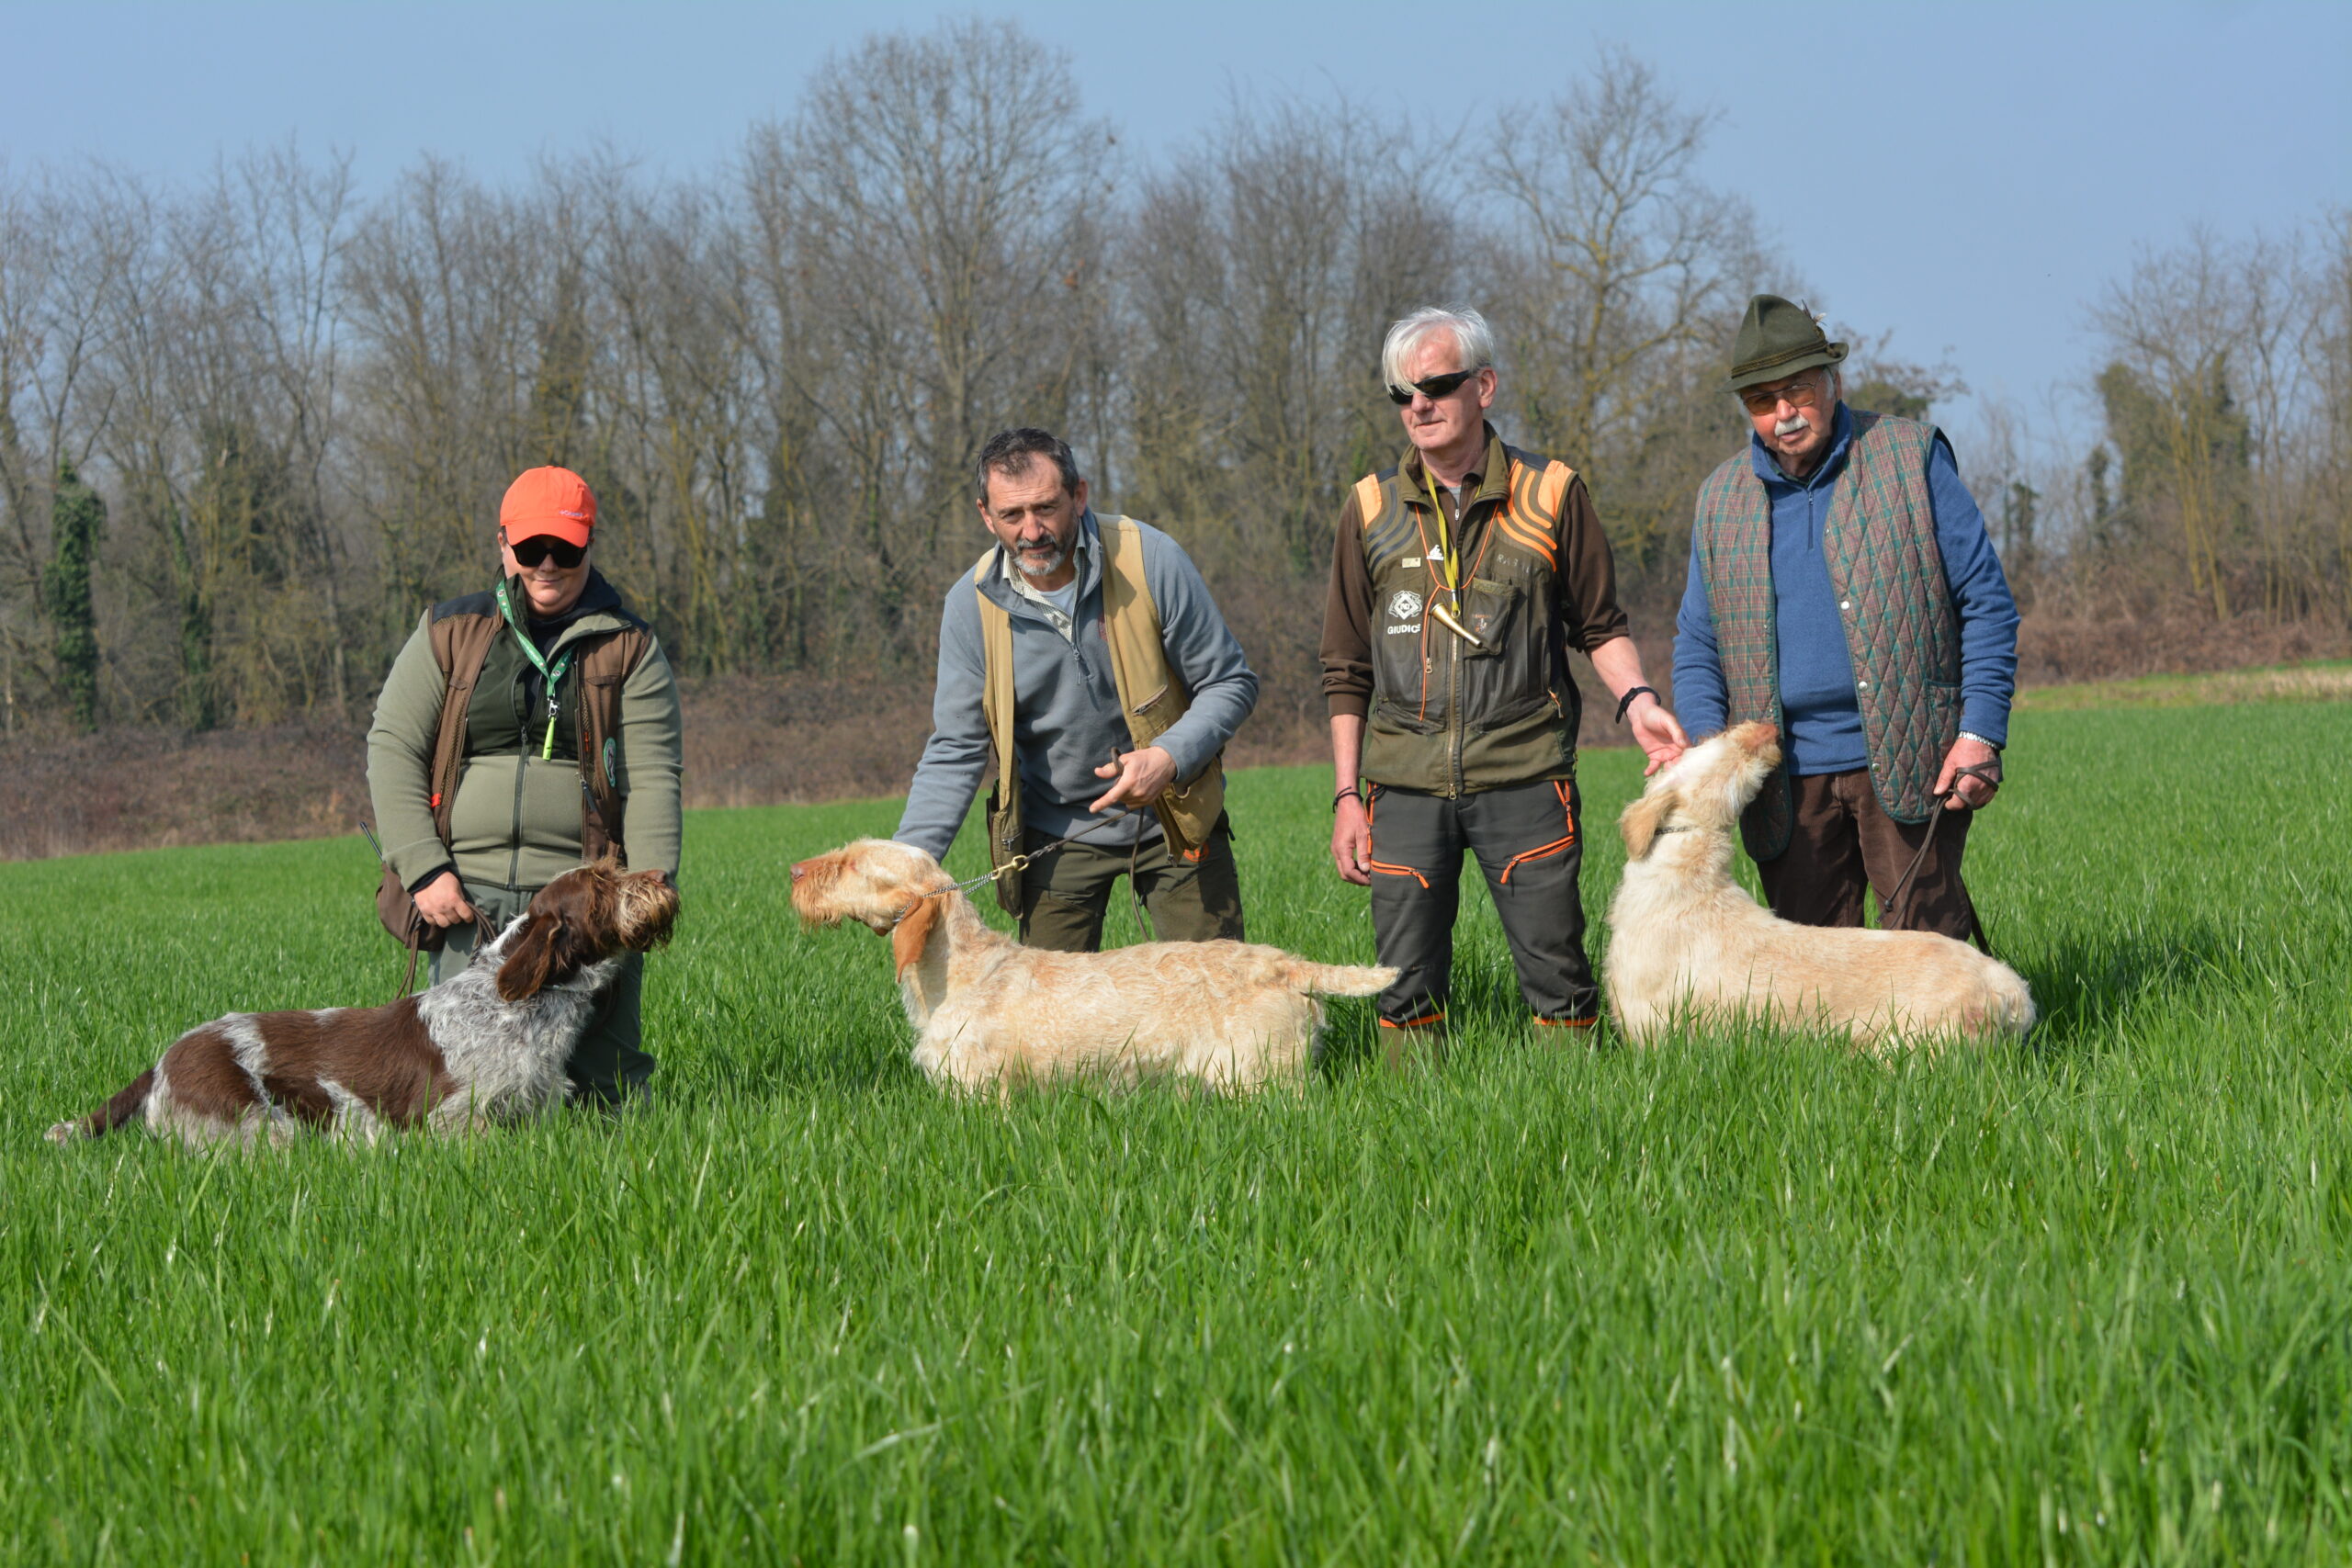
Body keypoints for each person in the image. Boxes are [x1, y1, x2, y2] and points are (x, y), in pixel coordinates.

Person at [1323, 306, 1685, 1057]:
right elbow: (1346, 667)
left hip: (1525, 774)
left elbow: (1600, 625)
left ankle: (1572, 1109)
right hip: (1404, 784)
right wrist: (1347, 795)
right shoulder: (1369, 509)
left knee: (1558, 977)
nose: (1418, 405)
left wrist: (1638, 700)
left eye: (1436, 385)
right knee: (1403, 985)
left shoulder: (1552, 493)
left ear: (1483, 386)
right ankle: (1409, 1117)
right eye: (1401, 393)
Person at [1672, 294, 2019, 936]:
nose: (1783, 414)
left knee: (1927, 961)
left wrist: (1980, 732)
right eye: (1762, 400)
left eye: (1798, 391)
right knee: (1809, 978)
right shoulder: (1720, 498)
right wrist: (1706, 749)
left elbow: (1986, 602)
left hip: (1911, 759)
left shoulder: (1911, 458)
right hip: (1784, 783)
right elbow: (1698, 640)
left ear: (1834, 382)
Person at [367, 465, 683, 1105]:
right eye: (532, 546)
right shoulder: (448, 632)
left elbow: (653, 775)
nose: (547, 564)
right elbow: (393, 747)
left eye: (564, 548)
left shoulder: (630, 646)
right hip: (467, 895)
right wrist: (425, 869)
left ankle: (626, 1168)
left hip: (585, 906)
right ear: (504, 544)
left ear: (589, 544)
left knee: (608, 1084)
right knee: (462, 1089)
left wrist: (646, 890)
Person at [895, 427, 1259, 952]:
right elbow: (956, 747)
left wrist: (1168, 757)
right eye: (1011, 515)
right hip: (1055, 836)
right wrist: (906, 867)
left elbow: (1229, 682)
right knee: (1045, 1006)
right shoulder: (969, 606)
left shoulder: (1150, 559)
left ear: (1079, 495)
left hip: (1174, 812)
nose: (1032, 531)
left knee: (1215, 990)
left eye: (1046, 508)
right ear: (986, 516)